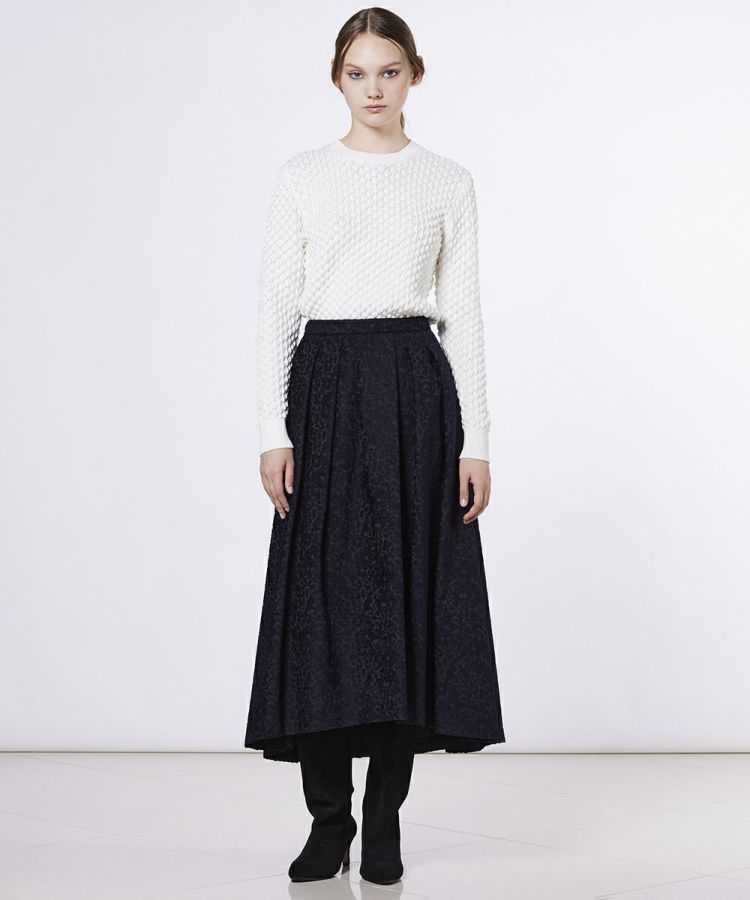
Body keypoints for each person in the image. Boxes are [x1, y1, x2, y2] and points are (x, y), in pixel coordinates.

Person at [244, 7, 505, 886]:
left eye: (389, 71)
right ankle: (330, 822)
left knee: (405, 606)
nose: (374, 89)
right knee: (321, 609)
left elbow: (464, 313)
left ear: (414, 75)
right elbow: (275, 310)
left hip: (414, 392)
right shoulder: (303, 176)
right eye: (358, 73)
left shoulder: (447, 180)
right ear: (337, 78)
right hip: (324, 388)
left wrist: (477, 441)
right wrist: (272, 431)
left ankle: (385, 820)